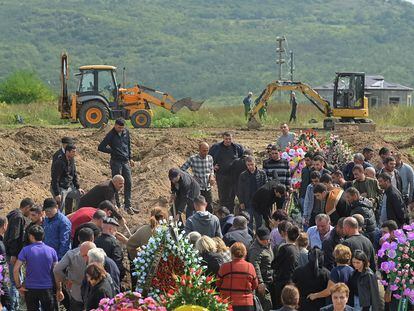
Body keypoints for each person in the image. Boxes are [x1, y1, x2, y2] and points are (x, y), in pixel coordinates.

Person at [13, 225, 58, 311]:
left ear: (31, 236)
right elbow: (56, 271)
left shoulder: (25, 250)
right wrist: (58, 289)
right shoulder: (52, 251)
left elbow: (15, 269)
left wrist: (18, 286)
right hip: (47, 287)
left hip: (30, 288)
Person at [98, 118, 136, 215]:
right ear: (115, 125)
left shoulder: (126, 132)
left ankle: (128, 205)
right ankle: (117, 205)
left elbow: (128, 145)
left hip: (125, 161)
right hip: (116, 162)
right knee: (116, 184)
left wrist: (130, 158)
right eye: (119, 128)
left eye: (122, 128)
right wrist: (113, 151)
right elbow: (101, 147)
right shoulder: (111, 135)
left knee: (128, 182)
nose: (121, 130)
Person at [54, 227, 94, 311]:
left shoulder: (71, 254)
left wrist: (65, 280)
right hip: (93, 290)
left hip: (75, 289)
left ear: (78, 238)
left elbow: (56, 269)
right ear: (92, 239)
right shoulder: (97, 253)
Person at [4, 197, 33, 311]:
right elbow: (15, 237)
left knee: (15, 279)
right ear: (27, 207)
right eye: (30, 210)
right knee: (15, 281)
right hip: (13, 254)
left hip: (11, 252)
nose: (30, 213)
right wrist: (14, 254)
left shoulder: (13, 214)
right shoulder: (18, 217)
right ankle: (14, 306)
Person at [217, 242, 258, 311]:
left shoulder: (224, 267)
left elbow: (218, 283)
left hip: (227, 302)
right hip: (246, 303)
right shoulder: (250, 266)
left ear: (231, 253)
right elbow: (255, 285)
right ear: (245, 253)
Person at [209, 132, 244, 211]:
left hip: (234, 176)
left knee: (232, 196)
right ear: (223, 138)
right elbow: (208, 158)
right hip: (221, 176)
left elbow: (244, 159)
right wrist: (212, 166)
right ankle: (223, 214)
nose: (228, 141)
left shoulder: (237, 148)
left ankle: (231, 214)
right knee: (223, 196)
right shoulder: (216, 147)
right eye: (226, 139)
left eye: (229, 139)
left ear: (232, 139)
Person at [181, 141, 215, 212]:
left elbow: (211, 169)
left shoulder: (210, 158)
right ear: (199, 150)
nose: (206, 152)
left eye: (207, 150)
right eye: (204, 151)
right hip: (198, 188)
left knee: (210, 207)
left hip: (207, 187)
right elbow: (182, 169)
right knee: (198, 208)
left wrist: (212, 176)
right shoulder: (193, 159)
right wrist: (191, 178)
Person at [272, 225, 300, 309]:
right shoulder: (296, 249)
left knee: (280, 306)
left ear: (286, 235)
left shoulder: (284, 249)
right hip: (292, 282)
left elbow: (274, 264)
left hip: (282, 282)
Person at [51, 143, 84, 214]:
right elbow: (55, 179)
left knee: (80, 194)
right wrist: (57, 194)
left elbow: (74, 174)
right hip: (60, 188)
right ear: (67, 152)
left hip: (68, 187)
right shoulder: (59, 162)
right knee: (60, 209)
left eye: (75, 152)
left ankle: (76, 214)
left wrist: (78, 187)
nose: (74, 154)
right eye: (73, 152)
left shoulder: (72, 160)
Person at [237, 156, 268, 228]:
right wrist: (241, 202)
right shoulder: (243, 175)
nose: (250, 166)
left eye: (252, 164)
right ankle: (250, 237)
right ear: (246, 165)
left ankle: (259, 237)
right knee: (248, 221)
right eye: (248, 165)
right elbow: (240, 190)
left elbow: (266, 187)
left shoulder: (262, 174)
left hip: (258, 202)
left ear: (255, 164)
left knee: (259, 221)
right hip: (248, 201)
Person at [248, 227, 273, 311]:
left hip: (269, 280)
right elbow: (255, 266)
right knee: (266, 305)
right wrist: (260, 282)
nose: (266, 241)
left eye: (267, 239)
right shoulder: (255, 250)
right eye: (263, 239)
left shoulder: (267, 245)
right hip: (263, 283)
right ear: (257, 237)